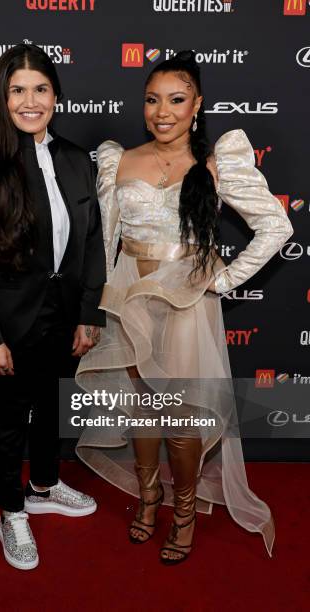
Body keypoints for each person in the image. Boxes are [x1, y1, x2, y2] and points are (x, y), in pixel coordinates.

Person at [75, 50, 293, 564]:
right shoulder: (119, 160)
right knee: (143, 412)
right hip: (128, 299)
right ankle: (150, 501)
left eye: (176, 99)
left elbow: (277, 227)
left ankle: (186, 512)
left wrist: (224, 278)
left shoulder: (216, 164)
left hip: (187, 305)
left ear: (197, 104)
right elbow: (105, 246)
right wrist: (91, 308)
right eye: (152, 100)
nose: (162, 111)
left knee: (180, 419)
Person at [0, 43, 106, 570]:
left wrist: (89, 313)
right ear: (3, 96)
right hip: (9, 319)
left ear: (56, 96)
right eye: (18, 90)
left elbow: (92, 242)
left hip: (65, 312)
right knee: (10, 418)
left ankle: (43, 483)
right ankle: (12, 511)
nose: (30, 100)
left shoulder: (76, 159)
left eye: (40, 88)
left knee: (55, 406)